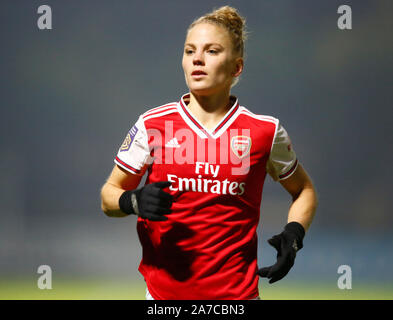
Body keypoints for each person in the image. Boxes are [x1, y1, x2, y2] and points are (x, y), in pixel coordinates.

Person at [100, 6, 317, 300]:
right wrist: (131, 200)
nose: (197, 59)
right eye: (190, 51)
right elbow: (108, 196)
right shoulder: (152, 124)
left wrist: (294, 235)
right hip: (164, 299)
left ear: (236, 67)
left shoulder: (265, 131)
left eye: (212, 51)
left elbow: (304, 190)